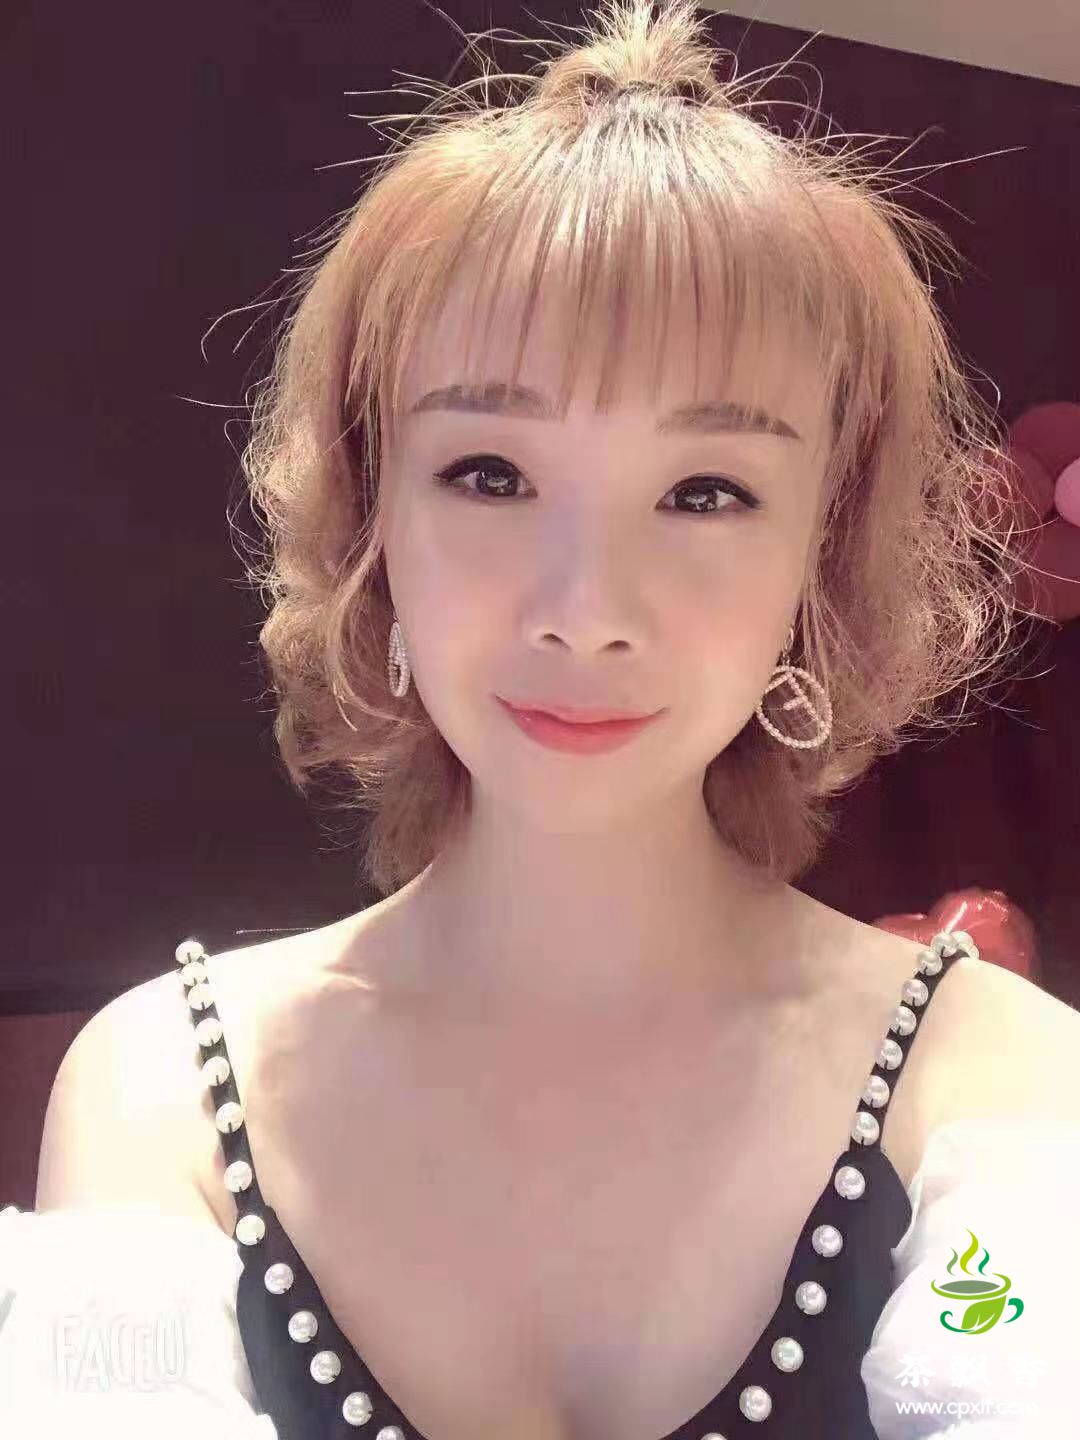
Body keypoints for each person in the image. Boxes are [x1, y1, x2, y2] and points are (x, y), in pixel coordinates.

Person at [4, 3, 1079, 1438]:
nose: (587, 610)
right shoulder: (164, 1094)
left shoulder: (1000, 1081)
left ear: (817, 555)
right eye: (491, 475)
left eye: (706, 493)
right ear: (373, 514)